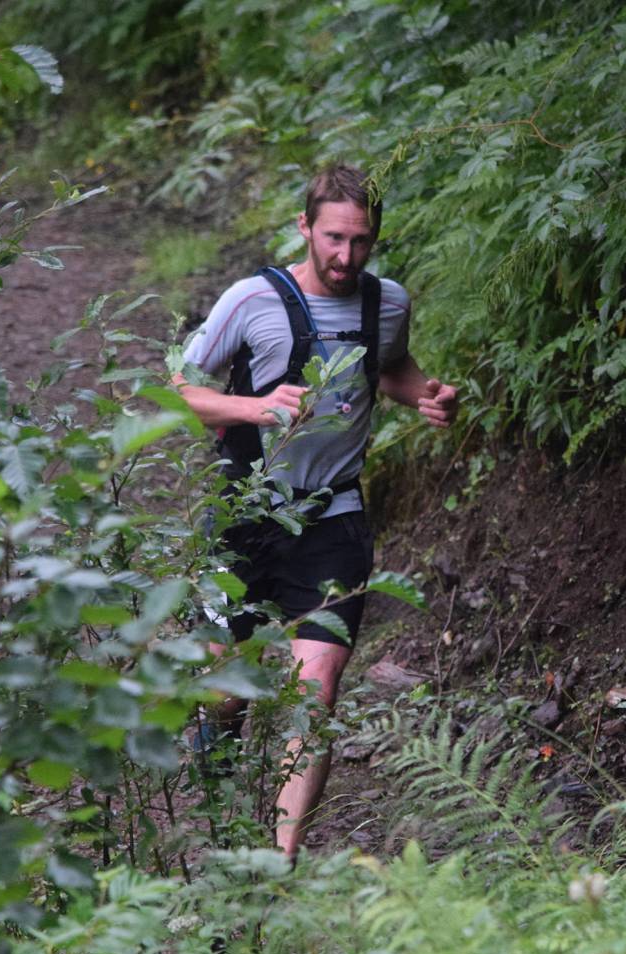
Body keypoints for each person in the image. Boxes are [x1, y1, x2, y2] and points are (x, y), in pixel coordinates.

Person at [172, 164, 458, 862]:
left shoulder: (385, 303)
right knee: (219, 691)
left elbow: (387, 366)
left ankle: (279, 864)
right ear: (304, 227)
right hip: (243, 513)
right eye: (333, 237)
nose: (345, 256)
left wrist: (424, 393)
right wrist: (251, 406)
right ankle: (215, 817)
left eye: (361, 241)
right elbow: (178, 389)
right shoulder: (250, 299)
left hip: (334, 519)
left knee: (316, 691)